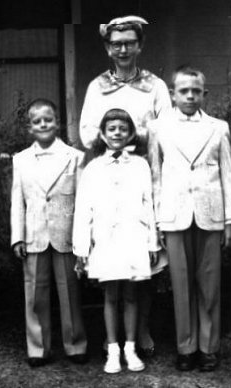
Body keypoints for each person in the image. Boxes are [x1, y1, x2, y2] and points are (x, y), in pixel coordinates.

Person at [79, 15, 171, 357]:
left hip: (146, 172)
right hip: (108, 173)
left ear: (140, 45)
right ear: (107, 48)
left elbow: (165, 129)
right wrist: (110, 138)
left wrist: (138, 134)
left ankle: (141, 328)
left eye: (129, 42)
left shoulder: (156, 86)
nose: (123, 49)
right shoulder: (96, 87)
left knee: (144, 247)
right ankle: (113, 335)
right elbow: (86, 132)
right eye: (116, 43)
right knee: (112, 249)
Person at [149, 66, 231, 372]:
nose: (189, 96)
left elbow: (227, 175)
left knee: (209, 285)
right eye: (183, 90)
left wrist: (230, 220)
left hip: (210, 215)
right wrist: (158, 221)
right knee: (181, 285)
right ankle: (186, 347)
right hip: (174, 216)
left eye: (196, 91)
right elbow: (156, 177)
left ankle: (208, 347)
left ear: (204, 94)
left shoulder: (218, 128)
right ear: (173, 94)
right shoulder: (158, 128)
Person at [73, 108, 160, 373]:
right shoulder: (94, 168)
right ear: (102, 133)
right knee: (111, 296)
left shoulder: (140, 165)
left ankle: (130, 349)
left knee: (132, 295)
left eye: (123, 129)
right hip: (106, 240)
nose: (117, 133)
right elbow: (84, 208)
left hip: (133, 237)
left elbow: (148, 205)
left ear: (131, 133)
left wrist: (152, 242)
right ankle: (112, 350)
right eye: (111, 129)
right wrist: (81, 247)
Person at [10, 98, 88, 367]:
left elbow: (82, 201)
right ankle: (38, 348)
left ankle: (75, 344)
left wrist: (81, 239)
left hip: (65, 234)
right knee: (35, 293)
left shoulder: (74, 157)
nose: (43, 124)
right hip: (34, 234)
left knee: (70, 292)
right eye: (37, 121)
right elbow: (17, 202)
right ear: (30, 127)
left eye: (48, 119)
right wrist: (17, 237)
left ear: (58, 122)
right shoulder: (20, 160)